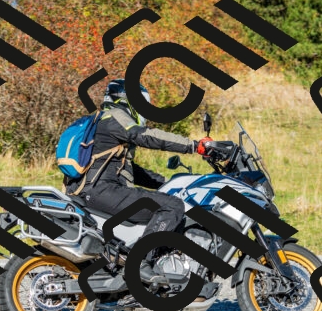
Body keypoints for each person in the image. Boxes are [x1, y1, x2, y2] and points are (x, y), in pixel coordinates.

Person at [65, 79, 212, 284]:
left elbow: (128, 170)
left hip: (94, 190)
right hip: (102, 190)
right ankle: (140, 262)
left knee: (164, 200)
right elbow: (146, 136)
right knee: (172, 206)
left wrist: (165, 183)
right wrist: (194, 146)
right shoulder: (115, 117)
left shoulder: (101, 121)